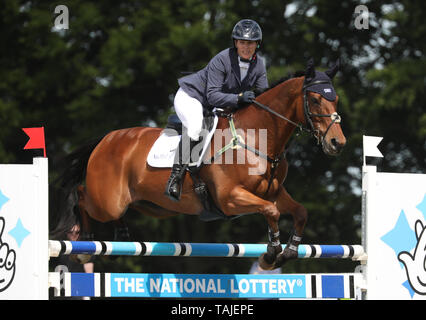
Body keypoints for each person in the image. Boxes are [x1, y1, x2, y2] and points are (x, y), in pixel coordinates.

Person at [165, 19, 269, 201]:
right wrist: (239, 98)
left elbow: (263, 95)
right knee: (197, 127)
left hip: (215, 104)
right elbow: (212, 95)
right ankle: (175, 177)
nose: (246, 47)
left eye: (250, 43)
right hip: (192, 96)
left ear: (257, 44)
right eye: (242, 42)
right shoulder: (222, 59)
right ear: (235, 43)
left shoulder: (259, 64)